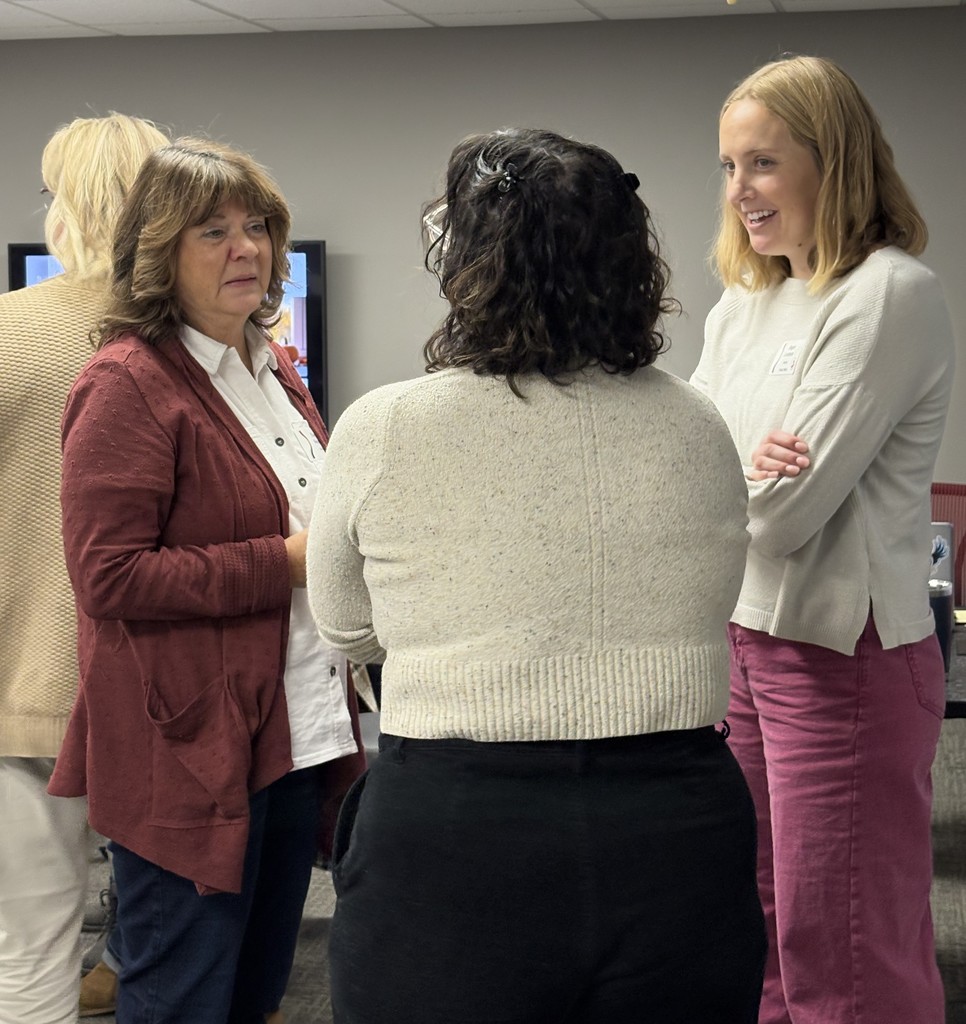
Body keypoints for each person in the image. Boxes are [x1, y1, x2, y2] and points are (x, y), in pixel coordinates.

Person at [305, 126, 767, 1024]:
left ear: (463, 263)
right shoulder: (698, 423)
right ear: (632, 261)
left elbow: (345, 625)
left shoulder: (385, 427)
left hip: (453, 831)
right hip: (677, 825)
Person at [48, 137, 366, 1024]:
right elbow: (108, 576)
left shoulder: (274, 368)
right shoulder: (128, 382)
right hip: (190, 753)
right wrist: (285, 563)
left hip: (292, 732)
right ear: (158, 250)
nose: (246, 249)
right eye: (213, 232)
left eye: (257, 227)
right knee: (184, 999)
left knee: (257, 996)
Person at [690, 55, 955, 1024]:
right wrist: (740, 461)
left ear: (831, 161)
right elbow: (682, 465)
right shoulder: (744, 303)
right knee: (760, 926)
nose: (740, 191)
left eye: (763, 162)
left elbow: (783, 518)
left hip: (844, 654)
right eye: (729, 166)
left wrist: (723, 468)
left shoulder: (886, 293)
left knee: (844, 945)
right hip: (743, 640)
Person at [0, 112, 168, 1024]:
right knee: (184, 956)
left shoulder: (8, 333)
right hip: (171, 691)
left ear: (61, 205)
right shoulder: (204, 339)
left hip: (23, 688)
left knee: (29, 952)